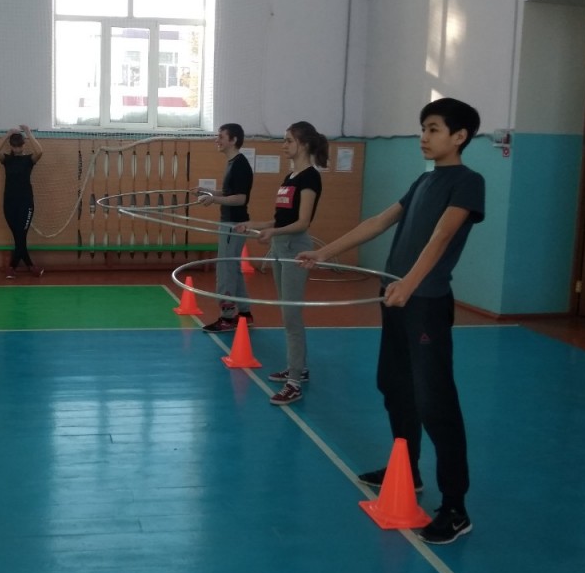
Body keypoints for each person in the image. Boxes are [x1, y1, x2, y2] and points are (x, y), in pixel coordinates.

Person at [297, 97, 484, 545]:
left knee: (435, 403)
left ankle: (455, 508)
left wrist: (409, 284)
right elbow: (380, 221)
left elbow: (442, 236)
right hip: (395, 299)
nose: (424, 136)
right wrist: (324, 253)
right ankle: (407, 470)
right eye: (423, 128)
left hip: (425, 304)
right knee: (394, 386)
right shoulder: (423, 181)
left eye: (434, 129)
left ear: (459, 136)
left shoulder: (468, 182)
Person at [236, 121, 328, 405]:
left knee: (291, 317)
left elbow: (302, 223)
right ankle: (298, 367)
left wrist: (273, 233)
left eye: (288, 140)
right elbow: (280, 219)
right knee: (287, 312)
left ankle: (294, 382)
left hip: (295, 249)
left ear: (303, 144)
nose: (283, 145)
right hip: (279, 246)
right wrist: (255, 224)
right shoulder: (290, 176)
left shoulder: (310, 177)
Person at [195, 123, 254, 332]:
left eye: (221, 137)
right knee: (233, 270)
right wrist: (209, 192)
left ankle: (227, 318)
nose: (217, 140)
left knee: (226, 271)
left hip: (233, 225)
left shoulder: (240, 164)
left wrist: (214, 200)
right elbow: (229, 193)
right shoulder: (232, 163)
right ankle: (245, 313)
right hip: (229, 223)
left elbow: (240, 199)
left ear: (233, 140)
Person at [0, 125, 44, 279]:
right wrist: (7, 134)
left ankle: (12, 267)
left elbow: (40, 152)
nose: (17, 149)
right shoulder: (7, 160)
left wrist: (28, 133)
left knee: (21, 235)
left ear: (23, 145)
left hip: (26, 204)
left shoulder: (29, 160)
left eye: (19, 146)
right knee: (18, 236)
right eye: (14, 146)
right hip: (9, 203)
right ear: (11, 146)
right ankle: (31, 267)